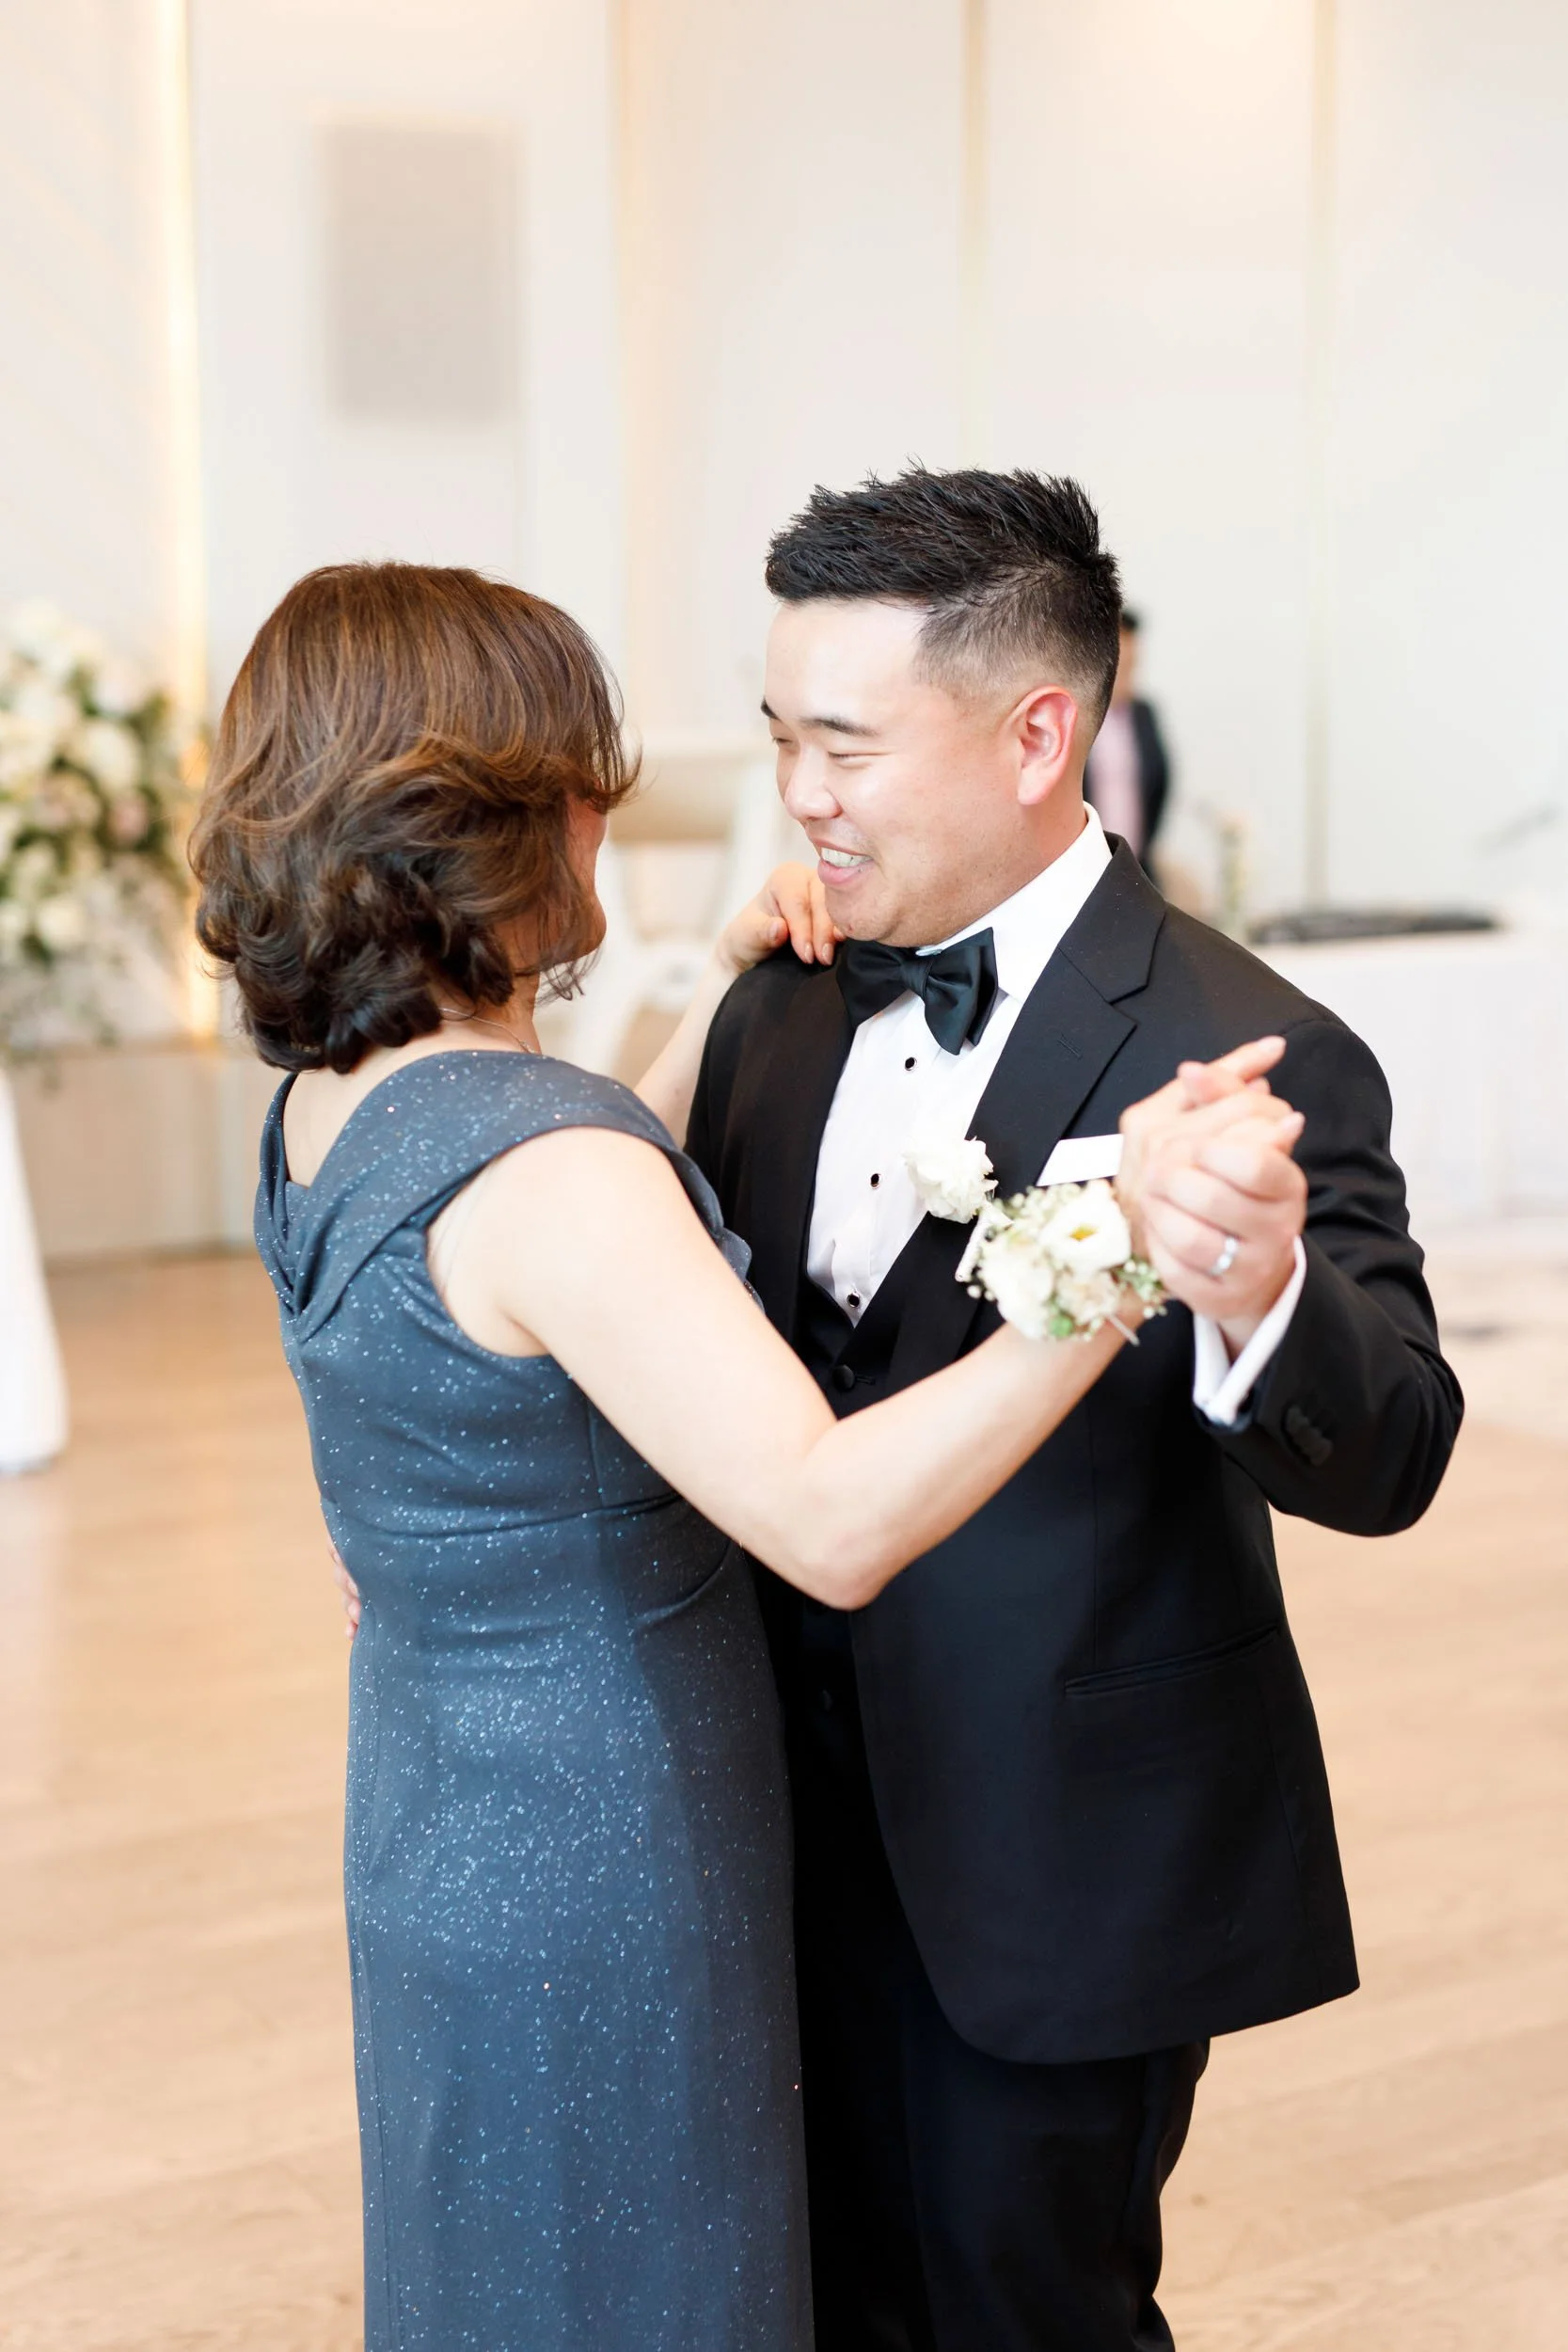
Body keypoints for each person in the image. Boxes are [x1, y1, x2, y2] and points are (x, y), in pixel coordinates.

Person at [188, 561, 1294, 2352]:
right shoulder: (552, 1175)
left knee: (509, 2275)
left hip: (437, 1813)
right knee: (640, 2282)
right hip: (604, 1849)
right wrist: (1113, 1268)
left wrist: (724, 992)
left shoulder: (334, 1111)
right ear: (516, 813)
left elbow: (594, 1221)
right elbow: (829, 1517)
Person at [685, 467, 1463, 2352]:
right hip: (762, 1827)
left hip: (1053, 1861)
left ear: (1040, 730)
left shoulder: (1237, 1035)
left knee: (1023, 2307)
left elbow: (1396, 1450)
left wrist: (1257, 1291)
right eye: (781, 733)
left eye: (845, 744)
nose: (798, 789)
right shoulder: (780, 994)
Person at [1084, 605, 1170, 867]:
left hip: (1136, 862)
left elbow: (1160, 783)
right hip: (1087, 858)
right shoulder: (1078, 717)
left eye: (1132, 666)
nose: (1126, 677)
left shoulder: (1145, 714)